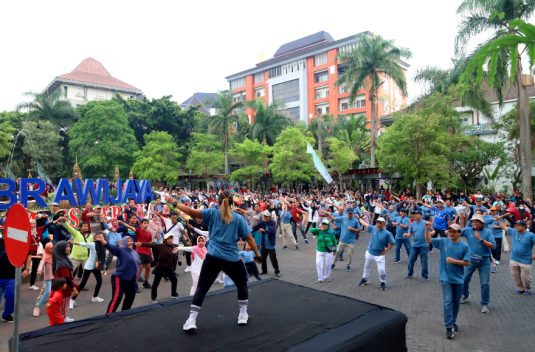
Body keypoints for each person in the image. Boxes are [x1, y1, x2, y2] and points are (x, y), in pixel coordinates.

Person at [165, 191, 260, 331]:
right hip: (232, 258)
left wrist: (174, 202)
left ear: (218, 202)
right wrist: (257, 255)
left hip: (213, 257)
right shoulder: (238, 218)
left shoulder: (212, 213)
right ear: (233, 203)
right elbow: (250, 238)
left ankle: (191, 320)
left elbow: (190, 211)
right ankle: (243, 315)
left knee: (202, 287)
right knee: (241, 284)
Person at [425, 223, 470, 339]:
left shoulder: (464, 246)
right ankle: (448, 327)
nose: (451, 233)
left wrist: (454, 261)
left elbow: (467, 262)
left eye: (454, 231)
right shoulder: (443, 241)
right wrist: (426, 229)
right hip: (445, 278)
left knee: (456, 303)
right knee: (448, 301)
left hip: (459, 279)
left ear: (459, 233)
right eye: (450, 231)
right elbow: (428, 240)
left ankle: (453, 320)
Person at [93, 234, 140, 313]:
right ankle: (109, 317)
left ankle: (125, 313)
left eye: (131, 241)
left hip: (130, 278)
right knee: (117, 298)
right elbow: (111, 248)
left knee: (131, 296)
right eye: (128, 241)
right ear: (124, 242)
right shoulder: (120, 250)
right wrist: (102, 241)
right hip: (119, 278)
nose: (130, 243)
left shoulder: (133, 252)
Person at [459, 214, 496, 314]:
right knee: (464, 280)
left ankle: (484, 304)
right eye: (473, 221)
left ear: (482, 223)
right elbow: (457, 231)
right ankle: (465, 294)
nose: (474, 223)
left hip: (484, 261)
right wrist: (449, 230)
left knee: (484, 284)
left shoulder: (487, 232)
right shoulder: (468, 230)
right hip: (470, 260)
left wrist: (481, 239)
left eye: (477, 221)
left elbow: (493, 246)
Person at [136, 233, 179, 303]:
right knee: (156, 283)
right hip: (160, 268)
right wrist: (142, 244)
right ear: (165, 240)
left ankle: (174, 294)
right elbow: (152, 245)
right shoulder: (162, 246)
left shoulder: (173, 246)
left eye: (171, 238)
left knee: (174, 280)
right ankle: (153, 298)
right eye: (168, 239)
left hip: (169, 269)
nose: (170, 240)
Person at [496, 219, 535, 294]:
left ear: (524, 226)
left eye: (519, 226)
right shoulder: (514, 232)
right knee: (515, 276)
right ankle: (520, 288)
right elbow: (504, 227)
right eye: (516, 225)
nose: (517, 227)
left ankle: (527, 289)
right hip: (514, 259)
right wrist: (498, 220)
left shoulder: (531, 235)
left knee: (525, 277)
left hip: (526, 261)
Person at [357, 216, 395, 290]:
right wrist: (359, 218)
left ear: (383, 224)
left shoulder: (387, 233)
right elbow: (365, 224)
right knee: (367, 266)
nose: (378, 224)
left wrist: (386, 250)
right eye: (377, 222)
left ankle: (382, 282)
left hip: (379, 254)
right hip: (370, 252)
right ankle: (364, 279)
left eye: (380, 222)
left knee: (381, 270)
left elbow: (392, 243)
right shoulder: (373, 228)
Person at [0, 238, 31, 322]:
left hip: (11, 277)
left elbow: (28, 255)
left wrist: (27, 269)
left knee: (11, 296)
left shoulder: (19, 243)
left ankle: (7, 314)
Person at [70, 234, 105, 306]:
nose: (101, 237)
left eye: (102, 236)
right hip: (89, 265)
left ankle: (95, 297)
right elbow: (83, 244)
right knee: (83, 283)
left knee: (99, 281)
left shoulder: (103, 244)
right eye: (99, 236)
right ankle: (72, 300)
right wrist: (73, 242)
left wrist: (103, 267)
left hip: (96, 265)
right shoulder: (93, 244)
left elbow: (103, 257)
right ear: (95, 237)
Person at [118, 218, 154, 289]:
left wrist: (151, 254)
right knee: (139, 268)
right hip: (139, 252)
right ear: (141, 224)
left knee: (148, 268)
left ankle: (146, 283)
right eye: (145, 223)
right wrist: (123, 223)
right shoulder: (138, 230)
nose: (146, 225)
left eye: (147, 223)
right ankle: (135, 284)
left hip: (147, 253)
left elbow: (150, 244)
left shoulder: (149, 233)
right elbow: (130, 227)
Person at [326, 207, 361, 272]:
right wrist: (328, 214)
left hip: (351, 241)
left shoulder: (355, 220)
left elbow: (359, 230)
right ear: (347, 213)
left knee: (350, 254)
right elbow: (333, 218)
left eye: (351, 213)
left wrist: (353, 229)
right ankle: (333, 264)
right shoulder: (343, 218)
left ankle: (348, 265)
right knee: (337, 252)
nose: (350, 214)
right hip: (342, 240)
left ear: (353, 213)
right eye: (349, 213)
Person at [52, 241, 78, 323]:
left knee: (65, 302)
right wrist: (74, 289)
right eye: (67, 247)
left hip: (64, 286)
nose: (69, 248)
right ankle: (63, 318)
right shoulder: (62, 263)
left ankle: (64, 316)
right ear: (61, 249)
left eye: (69, 246)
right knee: (64, 303)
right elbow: (66, 278)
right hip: (63, 287)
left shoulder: (63, 259)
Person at [404, 210, 433, 281]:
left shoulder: (425, 223)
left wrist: (430, 234)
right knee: (411, 260)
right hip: (414, 245)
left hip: (424, 245)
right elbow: (410, 234)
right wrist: (406, 235)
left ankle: (425, 276)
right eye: (414, 214)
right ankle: (409, 273)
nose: (415, 216)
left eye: (417, 214)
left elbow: (433, 231)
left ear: (421, 215)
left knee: (424, 261)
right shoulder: (413, 224)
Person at [252, 211, 280, 277]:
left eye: (266, 216)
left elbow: (273, 231)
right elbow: (255, 227)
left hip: (271, 244)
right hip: (264, 244)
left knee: (273, 258)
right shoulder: (262, 223)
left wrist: (264, 231)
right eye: (264, 216)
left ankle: (277, 271)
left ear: (269, 217)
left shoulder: (272, 223)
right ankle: (264, 270)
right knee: (263, 258)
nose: (265, 217)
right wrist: (248, 230)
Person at [33, 242, 54, 317]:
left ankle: (53, 306)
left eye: (53, 248)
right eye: (51, 248)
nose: (53, 249)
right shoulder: (45, 256)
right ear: (47, 249)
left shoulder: (55, 255)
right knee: (47, 292)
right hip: (48, 276)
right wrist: (39, 270)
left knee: (55, 292)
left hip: (55, 276)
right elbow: (41, 263)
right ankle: (37, 307)